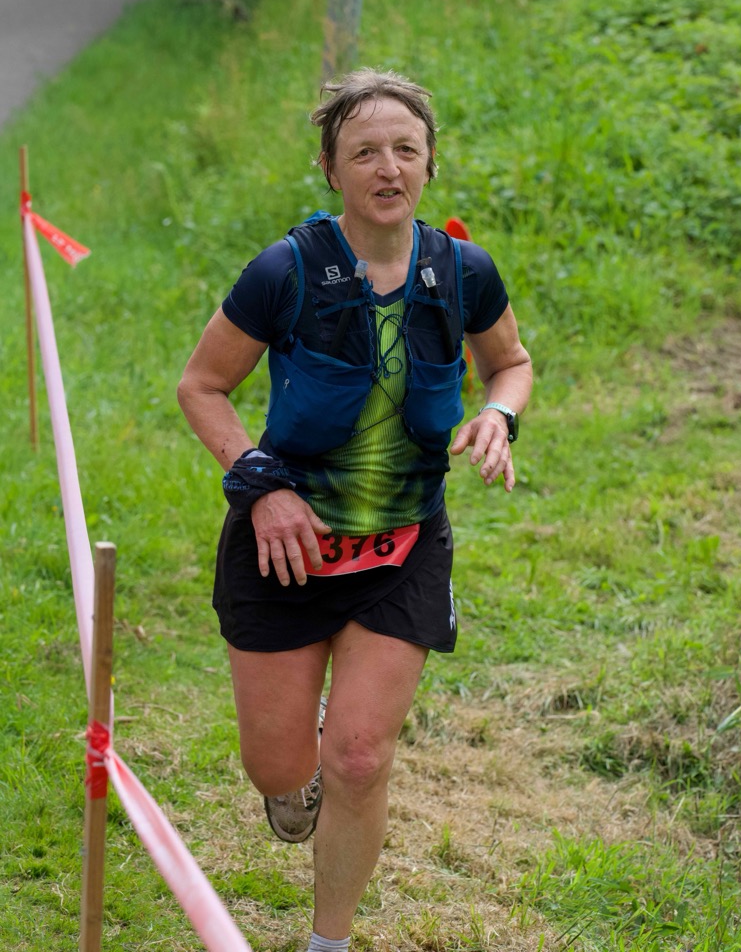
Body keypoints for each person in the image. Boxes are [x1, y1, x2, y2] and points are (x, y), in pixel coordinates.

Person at [177, 67, 532, 952]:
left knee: (361, 758)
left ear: (430, 164)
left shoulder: (463, 271)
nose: (388, 167)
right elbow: (202, 386)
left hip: (401, 547)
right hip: (285, 547)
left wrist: (499, 415)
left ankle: (326, 943)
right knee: (278, 766)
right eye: (364, 151)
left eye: (405, 149)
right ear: (330, 169)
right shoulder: (286, 271)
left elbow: (510, 363)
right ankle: (293, 774)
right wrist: (261, 484)